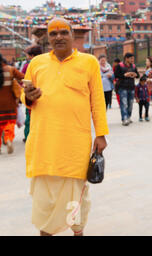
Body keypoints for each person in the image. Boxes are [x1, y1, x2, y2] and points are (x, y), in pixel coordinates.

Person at [22, 17, 109, 236]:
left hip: (75, 143)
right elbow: (26, 98)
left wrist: (101, 134)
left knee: (76, 196)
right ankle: (46, 232)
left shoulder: (88, 62)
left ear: (72, 35)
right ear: (47, 38)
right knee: (45, 198)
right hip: (44, 142)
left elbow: (97, 100)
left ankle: (77, 232)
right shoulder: (36, 63)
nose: (58, 37)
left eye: (63, 32)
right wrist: (28, 97)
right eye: (53, 33)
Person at [0, 53, 24, 154]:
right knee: (9, 123)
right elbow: (23, 77)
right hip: (10, 103)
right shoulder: (10, 69)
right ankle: (9, 139)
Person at [22, 45, 43, 143]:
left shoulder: (28, 65)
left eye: (28, 55)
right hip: (42, 99)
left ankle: (28, 139)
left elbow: (22, 78)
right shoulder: (45, 63)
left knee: (29, 121)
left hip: (31, 97)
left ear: (32, 55)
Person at [114, 53, 139, 126]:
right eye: (131, 58)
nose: (132, 60)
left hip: (131, 87)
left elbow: (138, 75)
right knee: (124, 103)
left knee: (130, 104)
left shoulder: (133, 66)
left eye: (133, 58)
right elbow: (115, 75)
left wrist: (135, 75)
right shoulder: (120, 66)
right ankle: (124, 119)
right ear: (126, 58)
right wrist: (124, 75)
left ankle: (128, 117)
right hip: (122, 87)